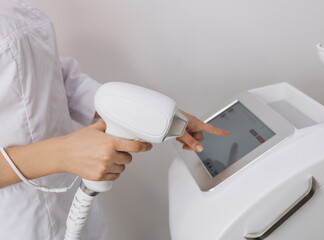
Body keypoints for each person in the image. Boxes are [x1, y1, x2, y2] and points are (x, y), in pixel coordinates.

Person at [0, 0, 230, 239]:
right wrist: (62, 154)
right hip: (18, 223)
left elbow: (54, 78)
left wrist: (147, 116)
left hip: (75, 211)